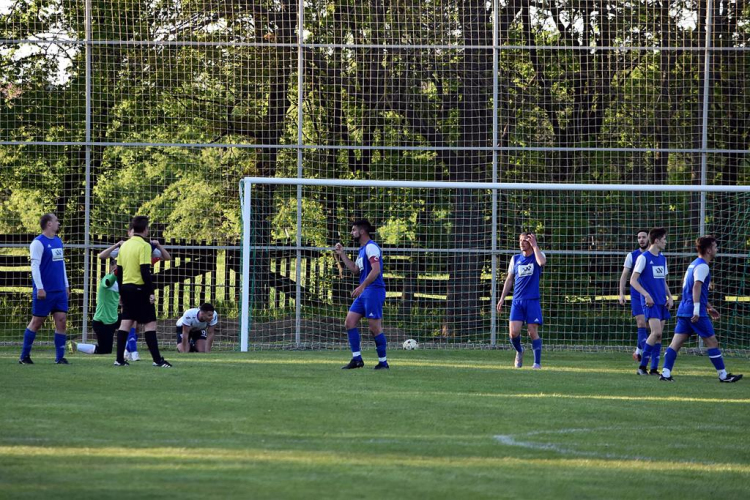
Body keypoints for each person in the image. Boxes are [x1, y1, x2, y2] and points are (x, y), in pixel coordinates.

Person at [660, 236, 742, 383]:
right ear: (709, 250)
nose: (717, 249)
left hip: (684, 309)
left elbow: (694, 290)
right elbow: (696, 287)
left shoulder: (693, 264)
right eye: (715, 247)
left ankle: (665, 374)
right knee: (712, 342)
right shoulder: (703, 266)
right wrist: (698, 310)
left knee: (675, 343)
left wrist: (709, 307)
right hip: (694, 311)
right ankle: (723, 376)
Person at [114, 216, 172, 367]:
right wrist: (150, 292)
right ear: (146, 229)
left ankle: (119, 360)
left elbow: (119, 271)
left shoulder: (124, 246)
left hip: (126, 288)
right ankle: (157, 360)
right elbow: (145, 271)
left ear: (132, 229)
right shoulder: (144, 246)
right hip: (139, 288)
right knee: (150, 324)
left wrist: (120, 292)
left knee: (125, 323)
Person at [334, 219, 389, 370]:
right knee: (349, 322)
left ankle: (383, 363)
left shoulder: (372, 247)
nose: (352, 233)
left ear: (362, 231)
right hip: (365, 291)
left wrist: (362, 286)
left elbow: (376, 270)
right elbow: (355, 270)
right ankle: (357, 359)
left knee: (374, 327)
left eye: (353, 230)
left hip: (373, 290)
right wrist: (342, 254)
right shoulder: (362, 249)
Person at [19, 213, 71, 365]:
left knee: (61, 321)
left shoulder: (58, 241)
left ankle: (60, 357)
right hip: (45, 291)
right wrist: (40, 288)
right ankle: (24, 356)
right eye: (56, 221)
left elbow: (61, 264)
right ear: (49, 224)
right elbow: (34, 267)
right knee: (37, 322)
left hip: (59, 290)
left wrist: (66, 284)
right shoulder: (38, 243)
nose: (58, 223)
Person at [496, 232, 547, 369]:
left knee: (532, 331)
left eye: (525, 241)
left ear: (531, 242)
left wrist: (535, 246)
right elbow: (509, 279)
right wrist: (502, 298)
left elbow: (542, 262)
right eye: (520, 240)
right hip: (517, 301)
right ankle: (519, 350)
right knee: (513, 333)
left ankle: (537, 363)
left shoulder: (538, 256)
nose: (521, 243)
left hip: (532, 300)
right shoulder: (515, 259)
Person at [629, 227, 674, 376]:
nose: (666, 242)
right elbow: (633, 280)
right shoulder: (644, 258)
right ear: (656, 240)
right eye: (664, 239)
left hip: (662, 302)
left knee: (659, 336)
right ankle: (642, 367)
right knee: (656, 332)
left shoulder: (662, 258)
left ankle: (654, 368)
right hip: (650, 302)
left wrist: (670, 297)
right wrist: (646, 295)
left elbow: (663, 281)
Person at [619, 230, 650, 362]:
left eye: (643, 237)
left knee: (650, 326)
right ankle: (647, 355)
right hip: (637, 294)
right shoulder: (631, 256)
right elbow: (624, 276)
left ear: (649, 238)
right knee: (641, 322)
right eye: (639, 238)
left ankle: (638, 351)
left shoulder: (655, 255)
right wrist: (621, 293)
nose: (641, 240)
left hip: (650, 295)